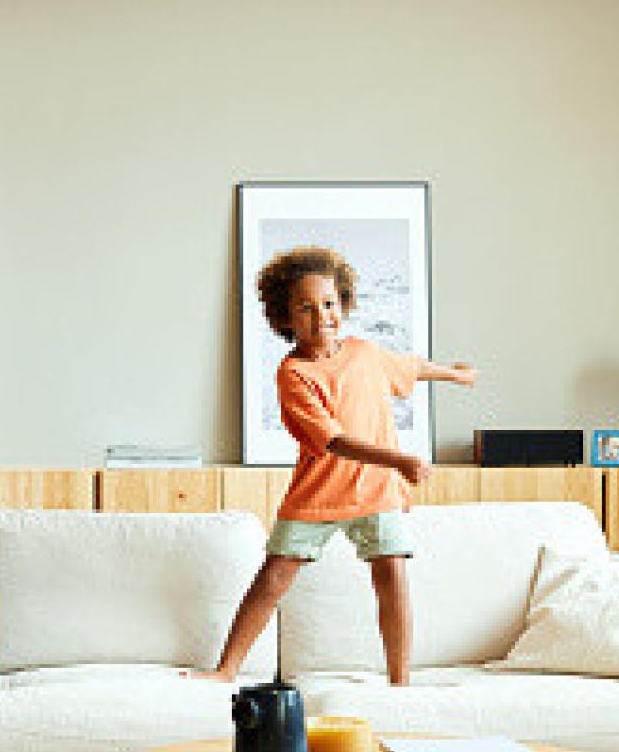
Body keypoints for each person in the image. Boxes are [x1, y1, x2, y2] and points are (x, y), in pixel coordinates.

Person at [203, 246, 477, 687]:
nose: (321, 317)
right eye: (305, 308)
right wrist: (400, 460)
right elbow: (333, 441)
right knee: (273, 578)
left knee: (391, 575)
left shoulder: (365, 353)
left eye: (329, 304)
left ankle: (400, 681)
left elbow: (411, 367)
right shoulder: (293, 374)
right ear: (284, 317)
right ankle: (225, 669)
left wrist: (455, 374)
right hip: (318, 493)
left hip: (375, 492)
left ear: (343, 304)